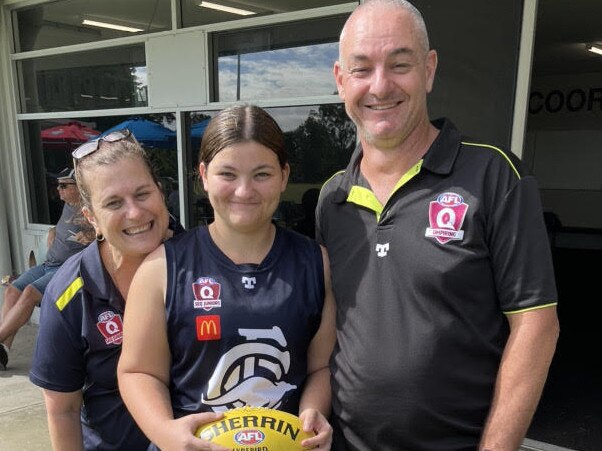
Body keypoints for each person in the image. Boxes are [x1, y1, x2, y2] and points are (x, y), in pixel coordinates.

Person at [315, 1, 560, 450]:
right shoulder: (333, 197)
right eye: (362, 68)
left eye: (399, 64)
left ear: (428, 70)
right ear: (340, 80)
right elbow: (332, 325)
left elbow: (537, 326)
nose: (380, 85)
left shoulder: (494, 175)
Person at [118, 105, 336, 450]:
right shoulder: (161, 267)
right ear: (203, 175)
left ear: (284, 175)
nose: (244, 191)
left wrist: (312, 413)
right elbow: (138, 372)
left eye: (262, 174)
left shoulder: (314, 262)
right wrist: (164, 433)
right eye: (228, 174)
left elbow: (321, 367)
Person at [28, 130, 200, 450]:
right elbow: (62, 409)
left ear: (161, 193)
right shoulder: (70, 294)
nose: (134, 213)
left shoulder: (206, 263)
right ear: (92, 218)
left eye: (142, 193)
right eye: (114, 202)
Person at [0, 168, 87, 370]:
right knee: (13, 289)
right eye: (58, 185)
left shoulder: (91, 210)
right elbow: (62, 226)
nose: (59, 190)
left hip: (68, 270)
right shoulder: (68, 205)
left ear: (80, 188)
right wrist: (53, 230)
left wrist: (91, 239)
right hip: (48, 265)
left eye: (64, 186)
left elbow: (106, 241)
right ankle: (4, 348)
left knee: (30, 293)